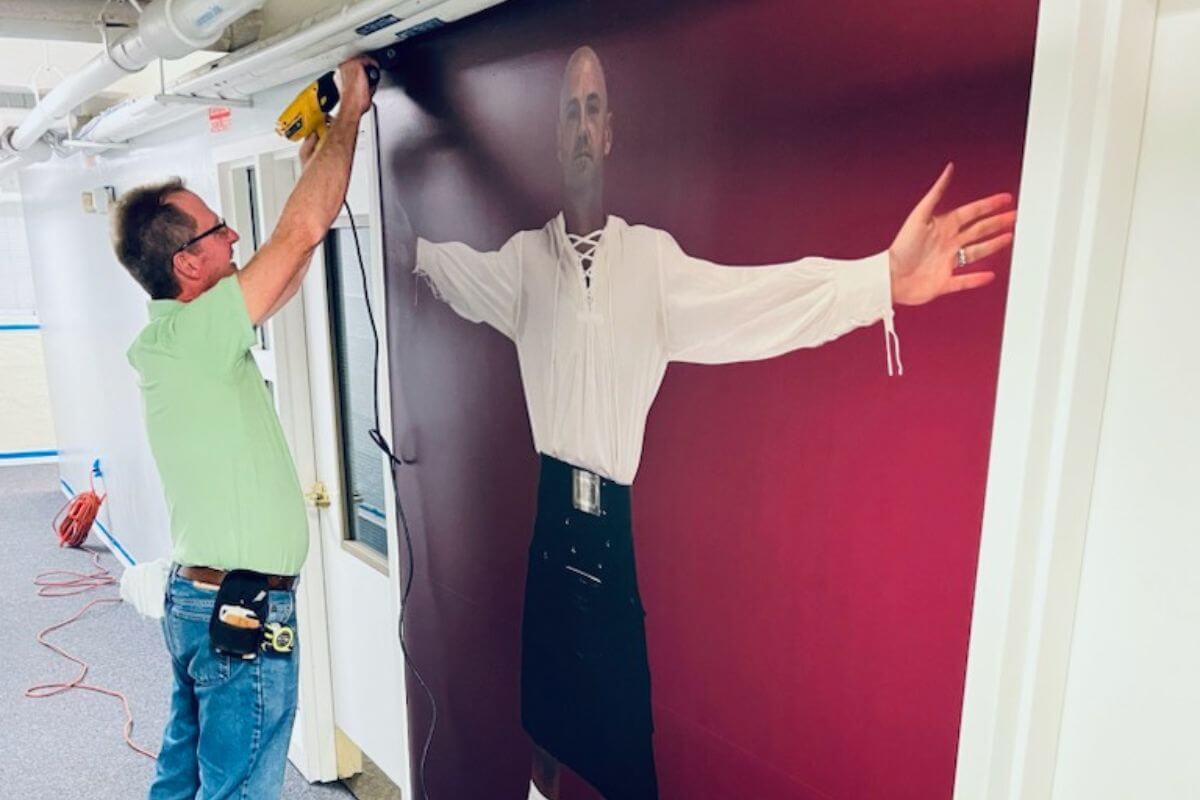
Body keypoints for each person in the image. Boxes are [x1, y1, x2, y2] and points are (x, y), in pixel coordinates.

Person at [413, 45, 1016, 800]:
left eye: (593, 108)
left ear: (609, 134)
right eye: (569, 108)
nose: (580, 123)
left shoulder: (651, 266)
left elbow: (757, 304)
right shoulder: (522, 265)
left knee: (628, 762)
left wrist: (879, 280)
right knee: (544, 732)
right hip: (548, 526)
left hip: (607, 536)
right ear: (556, 133)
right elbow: (428, 262)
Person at [111, 56, 377, 799]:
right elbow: (295, 236)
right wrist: (351, 107)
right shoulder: (196, 335)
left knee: (184, 778)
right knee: (239, 791)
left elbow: (292, 260)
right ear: (187, 263)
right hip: (239, 612)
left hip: (205, 601)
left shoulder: (179, 336)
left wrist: (313, 156)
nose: (234, 238)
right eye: (219, 229)